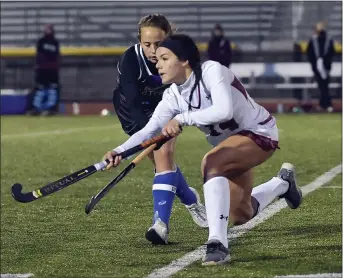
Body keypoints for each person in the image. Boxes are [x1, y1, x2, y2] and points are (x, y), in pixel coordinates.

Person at [104, 34, 303, 265]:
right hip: (230, 146)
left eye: (164, 58)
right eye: (156, 59)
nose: (157, 64)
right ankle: (283, 184)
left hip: (258, 133)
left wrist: (183, 119)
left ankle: (217, 243)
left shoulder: (211, 71)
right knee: (242, 214)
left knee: (211, 163)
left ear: (185, 60)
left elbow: (224, 110)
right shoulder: (172, 95)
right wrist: (119, 151)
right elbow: (149, 130)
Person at [112, 14, 208, 245]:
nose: (153, 50)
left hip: (166, 107)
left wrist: (182, 118)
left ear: (169, 38)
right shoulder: (131, 59)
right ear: (140, 42)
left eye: (158, 43)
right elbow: (134, 101)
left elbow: (189, 89)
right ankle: (190, 199)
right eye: (147, 44)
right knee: (160, 162)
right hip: (131, 111)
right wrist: (148, 133)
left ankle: (160, 225)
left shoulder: (179, 58)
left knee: (163, 155)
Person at [27, 24, 60, 116]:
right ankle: (36, 108)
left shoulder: (55, 42)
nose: (47, 31)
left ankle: (51, 109)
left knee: (52, 90)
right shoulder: (41, 41)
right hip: (42, 69)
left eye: (48, 29)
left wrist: (56, 67)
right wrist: (38, 66)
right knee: (40, 89)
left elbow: (57, 56)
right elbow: (38, 55)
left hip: (52, 70)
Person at [307, 22, 335, 112]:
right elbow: (310, 53)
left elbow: (331, 52)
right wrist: (314, 64)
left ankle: (325, 104)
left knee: (325, 86)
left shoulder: (328, 40)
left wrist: (326, 62)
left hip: (326, 66)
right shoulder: (313, 40)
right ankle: (325, 104)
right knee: (322, 86)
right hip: (317, 66)